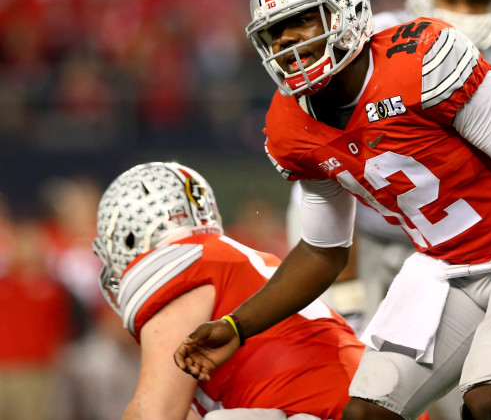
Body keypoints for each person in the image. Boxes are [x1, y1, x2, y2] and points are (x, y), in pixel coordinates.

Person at [175, 0, 491, 420]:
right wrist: (238, 326)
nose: (287, 42)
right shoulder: (290, 126)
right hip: (445, 264)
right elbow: (323, 251)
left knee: (489, 402)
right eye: (274, 32)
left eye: (303, 20)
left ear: (346, 11)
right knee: (365, 413)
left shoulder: (421, 60)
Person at [285, 0, 491, 333]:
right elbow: (332, 169)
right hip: (369, 227)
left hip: (453, 236)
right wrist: (348, 284)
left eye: (477, 0)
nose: (463, 13)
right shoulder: (372, 42)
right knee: (352, 347)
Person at [92, 162, 365, 419]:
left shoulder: (181, 269)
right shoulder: (228, 259)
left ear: (127, 235)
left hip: (317, 410)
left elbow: (155, 412)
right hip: (357, 401)